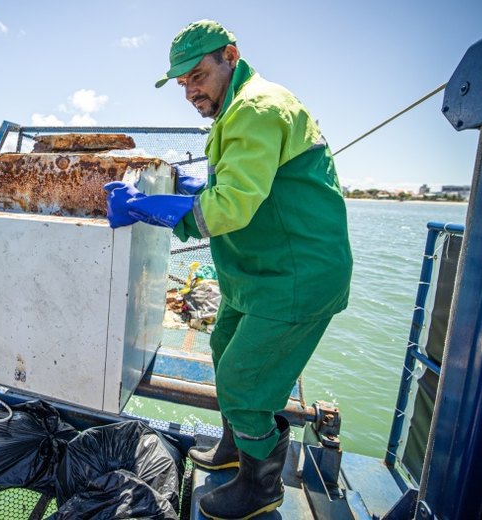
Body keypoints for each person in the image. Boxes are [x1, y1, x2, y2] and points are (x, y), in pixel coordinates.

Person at [104, 20, 352, 519]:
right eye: (183, 83)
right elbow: (244, 178)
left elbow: (231, 207)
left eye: (198, 76)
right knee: (223, 347)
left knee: (244, 380)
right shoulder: (239, 109)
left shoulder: (256, 108)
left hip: (294, 278)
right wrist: (190, 185)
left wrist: (148, 208)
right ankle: (235, 448)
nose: (190, 91)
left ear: (230, 57)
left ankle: (261, 488)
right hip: (256, 274)